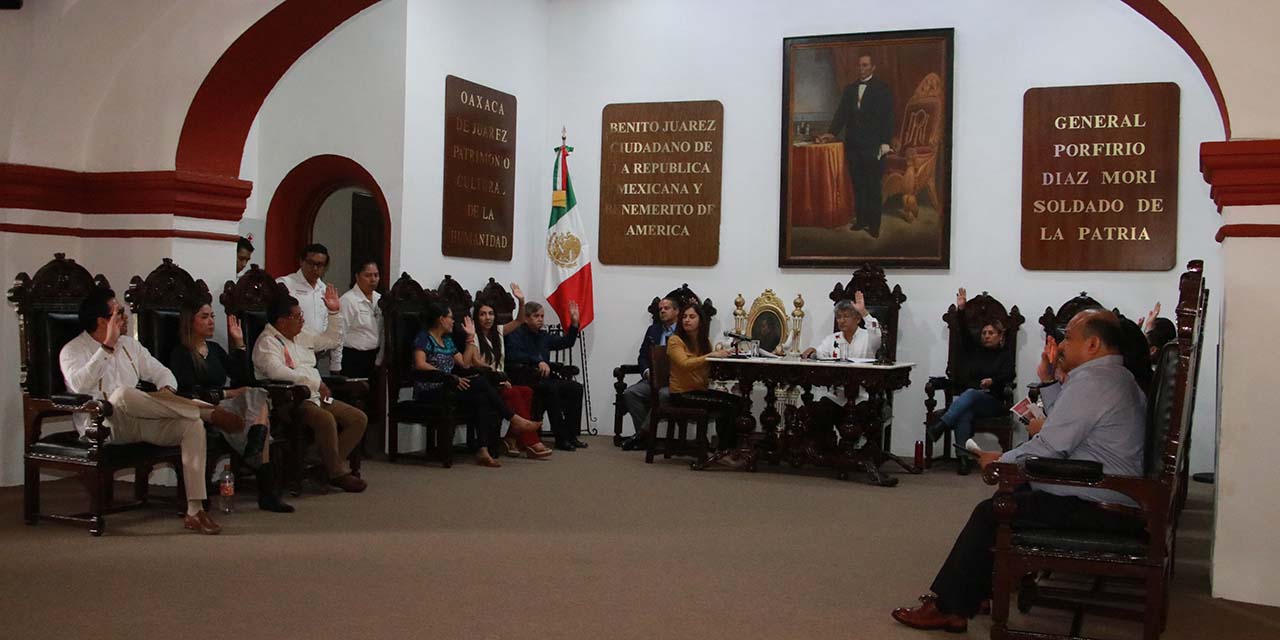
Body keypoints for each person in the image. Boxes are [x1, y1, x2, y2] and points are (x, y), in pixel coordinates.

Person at [891, 310, 1147, 633]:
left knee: (992, 512)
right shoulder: (1112, 378)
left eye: (1068, 337)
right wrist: (1049, 380)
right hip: (1104, 490)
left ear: (1093, 344)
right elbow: (1061, 427)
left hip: (1101, 504)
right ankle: (975, 592)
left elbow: (1049, 445)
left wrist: (1002, 463)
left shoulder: (1096, 383)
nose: (1061, 345)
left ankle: (948, 608)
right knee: (1011, 495)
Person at [60, 288, 225, 534]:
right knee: (123, 394)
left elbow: (162, 372)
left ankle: (194, 509)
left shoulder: (130, 346)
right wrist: (107, 346)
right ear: (102, 321)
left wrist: (167, 389)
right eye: (119, 313)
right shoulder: (73, 350)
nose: (125, 318)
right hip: (104, 426)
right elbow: (79, 385)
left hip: (140, 418)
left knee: (191, 426)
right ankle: (201, 410)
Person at [169, 300, 293, 513]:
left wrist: (240, 344)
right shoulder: (180, 353)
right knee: (259, 420)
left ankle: (254, 444)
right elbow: (187, 391)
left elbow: (243, 377)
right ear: (190, 322)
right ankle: (266, 489)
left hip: (228, 404)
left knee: (259, 393)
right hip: (205, 408)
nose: (211, 321)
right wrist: (229, 393)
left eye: (212, 316)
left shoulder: (214, 349)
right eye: (204, 317)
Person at [252, 289, 368, 493]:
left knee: (358, 418)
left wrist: (333, 313)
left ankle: (324, 467)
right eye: (297, 316)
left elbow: (332, 340)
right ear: (281, 321)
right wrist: (314, 383)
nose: (302, 320)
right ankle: (336, 472)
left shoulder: (301, 335)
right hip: (291, 401)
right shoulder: (267, 342)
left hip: (319, 396)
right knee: (325, 419)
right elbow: (276, 371)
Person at [413, 301, 542, 467]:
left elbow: (465, 364)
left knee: (481, 395)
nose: (453, 321)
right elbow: (420, 364)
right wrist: (448, 377)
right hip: (430, 389)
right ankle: (513, 418)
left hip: (449, 386)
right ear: (441, 319)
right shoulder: (424, 337)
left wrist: (470, 338)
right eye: (451, 318)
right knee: (480, 383)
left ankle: (483, 450)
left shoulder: (448, 340)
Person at [925, 287, 1015, 475]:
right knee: (965, 410)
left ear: (1000, 336)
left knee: (969, 396)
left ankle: (942, 424)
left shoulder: (1005, 355)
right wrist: (962, 309)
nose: (986, 336)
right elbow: (963, 332)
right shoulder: (975, 350)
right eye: (984, 333)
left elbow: (1009, 376)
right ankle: (963, 458)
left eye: (991, 333)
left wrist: (993, 381)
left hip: (993, 401)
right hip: (972, 399)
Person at [466, 283, 553, 460]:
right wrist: (498, 378)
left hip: (501, 381)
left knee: (526, 391)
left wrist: (521, 301)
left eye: (490, 314)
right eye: (482, 314)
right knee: (513, 393)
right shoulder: (473, 335)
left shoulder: (498, 331)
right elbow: (476, 364)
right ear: (476, 317)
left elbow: (520, 320)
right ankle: (531, 442)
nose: (487, 318)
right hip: (488, 383)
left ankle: (511, 438)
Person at [817, 52, 895, 235]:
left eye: (866, 65)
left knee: (873, 187)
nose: (862, 68)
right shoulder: (850, 89)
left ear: (873, 67)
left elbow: (888, 119)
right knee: (858, 185)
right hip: (853, 145)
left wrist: (885, 143)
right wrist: (831, 133)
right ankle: (861, 221)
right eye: (860, 65)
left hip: (874, 146)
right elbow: (841, 115)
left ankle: (874, 226)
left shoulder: (883, 89)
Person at [799, 292, 882, 446]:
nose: (841, 321)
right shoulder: (833, 339)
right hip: (837, 397)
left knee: (865, 414)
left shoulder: (868, 338)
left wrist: (864, 312)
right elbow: (820, 354)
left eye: (846, 316)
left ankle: (856, 452)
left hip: (861, 397)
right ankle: (826, 450)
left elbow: (877, 332)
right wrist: (812, 352)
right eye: (838, 317)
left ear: (857, 319)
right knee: (818, 412)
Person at [666, 303, 745, 464]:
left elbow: (707, 365)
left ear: (701, 321)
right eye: (685, 317)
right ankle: (722, 453)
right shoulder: (675, 341)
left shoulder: (704, 342)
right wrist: (712, 355)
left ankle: (729, 448)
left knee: (738, 402)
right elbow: (685, 364)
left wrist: (727, 356)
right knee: (729, 406)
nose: (687, 320)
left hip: (698, 391)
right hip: (682, 394)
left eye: (692, 317)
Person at [505, 300, 586, 451]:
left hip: (543, 377)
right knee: (551, 389)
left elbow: (566, 342)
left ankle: (571, 435)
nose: (541, 319)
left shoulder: (543, 336)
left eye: (542, 316)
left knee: (575, 388)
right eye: (536, 316)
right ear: (526, 318)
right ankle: (561, 438)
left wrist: (574, 324)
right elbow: (515, 355)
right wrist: (539, 361)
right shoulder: (516, 334)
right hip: (525, 376)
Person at [620, 296, 680, 451]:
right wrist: (646, 371)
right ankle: (647, 439)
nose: (662, 311)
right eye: (660, 309)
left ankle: (640, 436)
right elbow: (642, 355)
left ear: (677, 311)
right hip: (652, 379)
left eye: (666, 308)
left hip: (674, 381)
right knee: (630, 393)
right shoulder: (653, 329)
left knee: (663, 395)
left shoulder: (684, 330)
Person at [276, 243, 333, 351]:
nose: (315, 268)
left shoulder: (325, 290)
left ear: (325, 267)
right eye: (311, 263)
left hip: (316, 350)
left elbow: (327, 321)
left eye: (320, 265)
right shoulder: (285, 284)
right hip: (291, 350)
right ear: (301, 261)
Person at [332, 260, 382, 378]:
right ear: (357, 276)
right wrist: (336, 365)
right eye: (368, 275)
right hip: (352, 358)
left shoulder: (380, 299)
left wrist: (379, 359)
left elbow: (382, 331)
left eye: (376, 275)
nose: (373, 279)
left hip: (373, 357)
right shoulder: (348, 300)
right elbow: (339, 333)